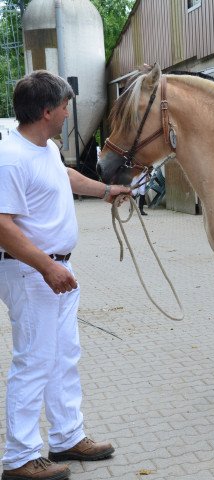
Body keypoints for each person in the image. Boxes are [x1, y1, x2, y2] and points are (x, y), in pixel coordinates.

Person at [0, 71, 130, 480]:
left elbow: (66, 178)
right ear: (46, 110)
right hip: (31, 272)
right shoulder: (11, 157)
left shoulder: (47, 147)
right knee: (34, 361)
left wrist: (107, 191)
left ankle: (67, 436)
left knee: (63, 357)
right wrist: (47, 266)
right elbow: (2, 225)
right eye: (64, 106)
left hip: (56, 271)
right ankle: (20, 457)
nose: (68, 111)